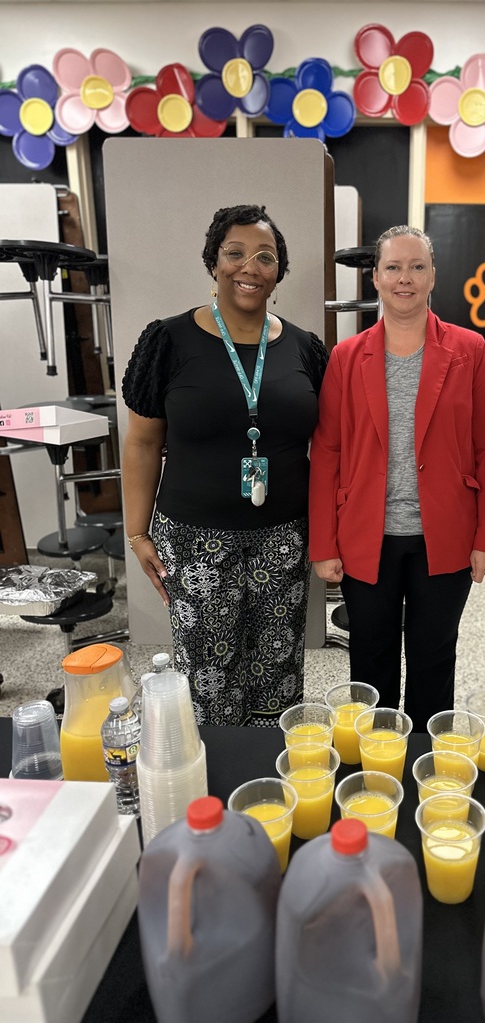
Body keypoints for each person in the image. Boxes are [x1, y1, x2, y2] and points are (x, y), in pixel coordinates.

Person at [121, 204, 328, 727]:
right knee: (209, 679)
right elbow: (143, 444)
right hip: (193, 539)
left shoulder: (306, 349)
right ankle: (215, 787)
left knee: (278, 674)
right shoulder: (168, 341)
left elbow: (330, 448)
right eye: (234, 253)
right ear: (213, 262)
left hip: (284, 536)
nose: (249, 266)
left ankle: (270, 782)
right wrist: (137, 535)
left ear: (279, 271)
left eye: (265, 256)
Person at [309, 225, 485, 731]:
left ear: (433, 276)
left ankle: (425, 764)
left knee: (433, 658)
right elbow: (327, 451)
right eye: (393, 267)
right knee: (370, 662)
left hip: (444, 537)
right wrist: (323, 543)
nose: (405, 278)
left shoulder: (470, 351)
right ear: (375, 278)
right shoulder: (346, 358)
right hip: (364, 536)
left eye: (417, 267)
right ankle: (376, 766)